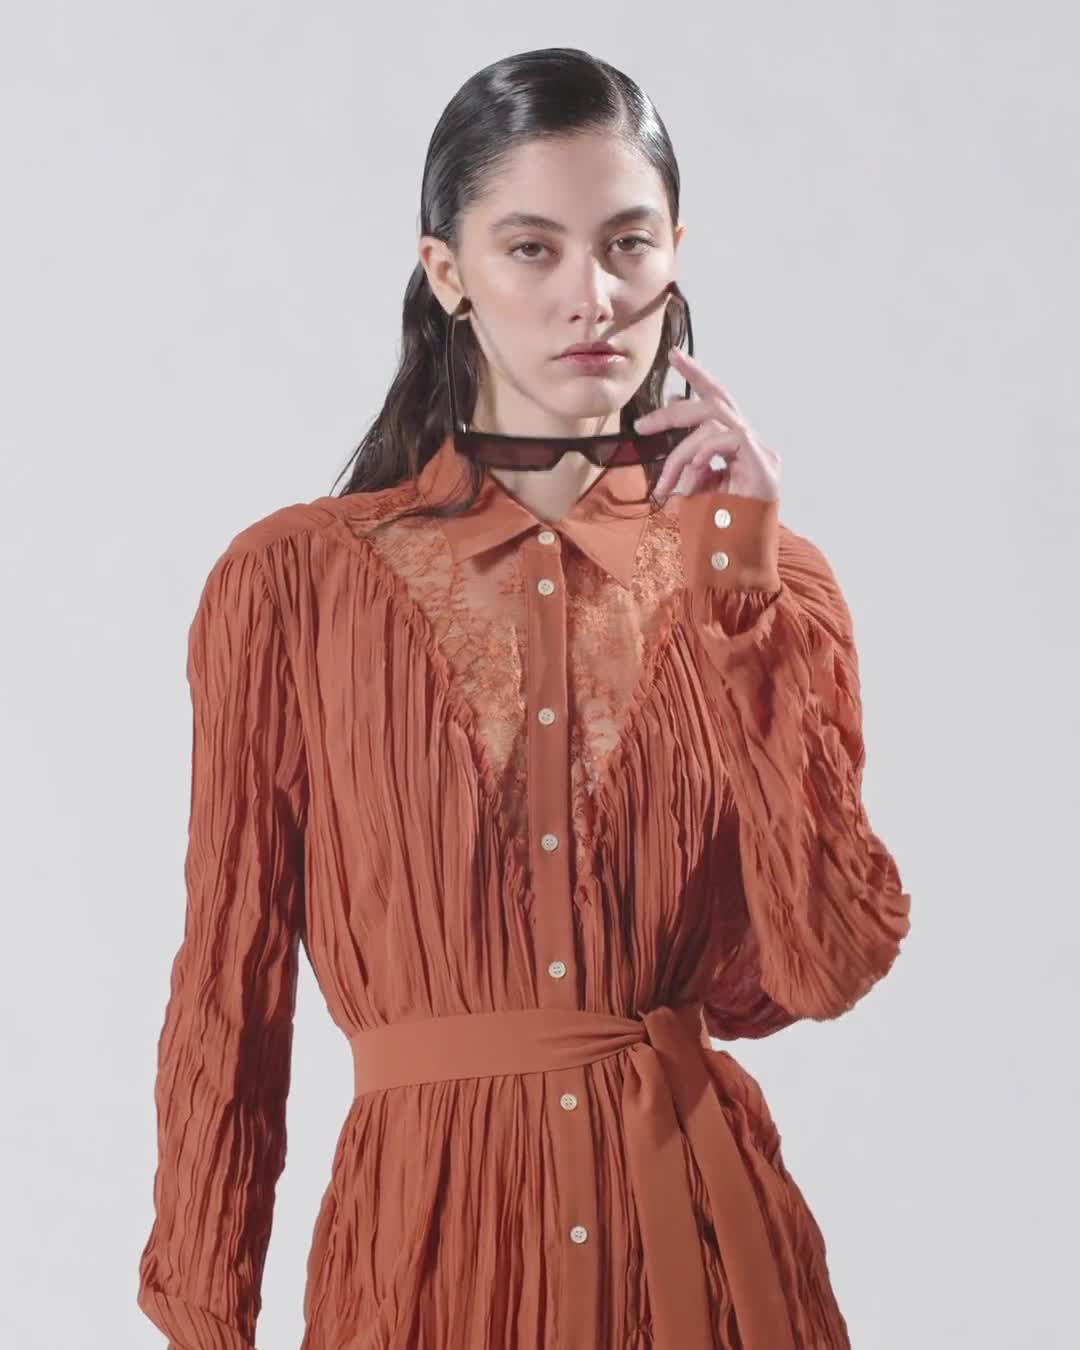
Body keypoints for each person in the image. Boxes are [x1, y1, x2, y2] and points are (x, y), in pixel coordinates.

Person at [136, 46, 912, 1350]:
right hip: (425, 1268)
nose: (591, 296)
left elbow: (822, 962)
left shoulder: (769, 585)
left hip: (710, 1274)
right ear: (448, 271)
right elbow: (231, 983)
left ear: (676, 257)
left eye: (628, 245)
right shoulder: (290, 587)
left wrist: (739, 599)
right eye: (533, 249)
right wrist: (206, 1316)